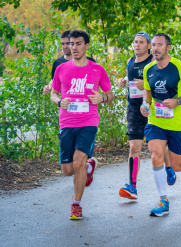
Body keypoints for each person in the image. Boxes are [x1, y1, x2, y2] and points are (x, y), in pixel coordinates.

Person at [50, 30, 115, 220]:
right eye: (71, 43)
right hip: (67, 122)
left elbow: (110, 96)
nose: (74, 47)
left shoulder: (97, 69)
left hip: (89, 122)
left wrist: (102, 97)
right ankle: (89, 167)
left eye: (78, 43)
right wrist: (58, 101)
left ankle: (76, 205)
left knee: (78, 162)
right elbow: (53, 93)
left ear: (86, 45)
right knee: (68, 170)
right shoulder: (61, 69)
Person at [141, 33, 181, 216]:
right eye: (153, 45)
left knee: (176, 165)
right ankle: (163, 200)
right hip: (156, 121)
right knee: (155, 155)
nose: (155, 48)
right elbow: (148, 94)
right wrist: (145, 106)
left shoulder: (179, 67)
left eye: (159, 45)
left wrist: (179, 101)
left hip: (178, 124)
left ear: (168, 47)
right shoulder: (148, 69)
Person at [116, 32, 176, 200]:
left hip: (153, 108)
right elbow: (131, 82)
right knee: (134, 147)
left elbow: (164, 79)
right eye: (135, 42)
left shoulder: (154, 60)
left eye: (141, 42)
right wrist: (123, 82)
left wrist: (147, 84)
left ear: (149, 46)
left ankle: (169, 168)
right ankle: (132, 186)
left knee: (158, 146)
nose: (137, 45)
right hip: (134, 108)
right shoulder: (130, 62)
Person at [43, 31, 95, 95]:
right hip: (66, 102)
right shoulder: (58, 63)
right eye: (62, 44)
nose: (64, 46)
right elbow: (54, 80)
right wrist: (48, 87)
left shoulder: (90, 61)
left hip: (86, 101)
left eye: (67, 43)